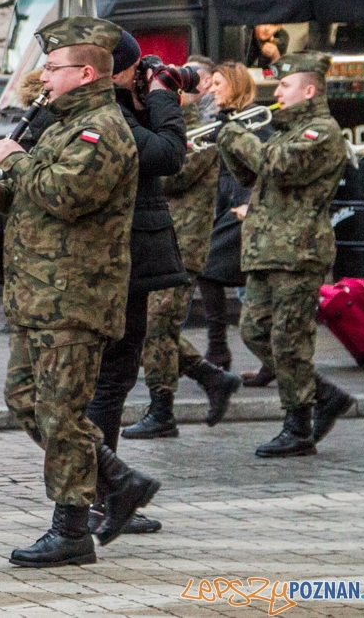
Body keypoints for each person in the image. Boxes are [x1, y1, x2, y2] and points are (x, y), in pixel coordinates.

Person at [0, 16, 136, 567]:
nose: (44, 74)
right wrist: (0, 193)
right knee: (26, 400)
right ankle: (117, 478)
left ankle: (71, 530)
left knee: (61, 412)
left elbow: (68, 195)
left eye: (54, 65)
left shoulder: (102, 129)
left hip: (76, 294)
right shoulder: (62, 125)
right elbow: (40, 197)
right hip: (38, 293)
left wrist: (15, 161)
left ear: (86, 72)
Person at [77, 33, 190, 543]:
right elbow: (166, 154)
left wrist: (146, 99)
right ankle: (105, 496)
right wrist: (165, 98)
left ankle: (105, 495)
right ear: (117, 70)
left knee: (110, 383)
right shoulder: (111, 118)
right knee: (108, 383)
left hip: (121, 263)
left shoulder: (117, 109)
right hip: (121, 264)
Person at [216, 52, 355, 457]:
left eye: (284, 86)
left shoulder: (320, 132)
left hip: (298, 250)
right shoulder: (286, 130)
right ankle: (324, 394)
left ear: (308, 90)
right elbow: (250, 173)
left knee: (289, 339)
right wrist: (228, 141)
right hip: (266, 250)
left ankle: (298, 426)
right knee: (255, 331)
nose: (275, 93)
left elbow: (279, 168)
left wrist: (240, 137)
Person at [125, 60, 242, 441]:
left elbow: (171, 174)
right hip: (159, 237)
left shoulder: (202, 130)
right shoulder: (164, 121)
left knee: (158, 326)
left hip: (183, 240)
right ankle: (211, 377)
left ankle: (162, 410)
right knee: (149, 326)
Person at [200, 62, 260, 371]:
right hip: (225, 199)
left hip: (243, 202)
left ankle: (219, 350)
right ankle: (221, 350)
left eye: (219, 83)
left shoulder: (255, 121)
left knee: (209, 267)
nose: (211, 88)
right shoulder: (224, 120)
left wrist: (248, 203)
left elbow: (264, 165)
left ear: (235, 86)